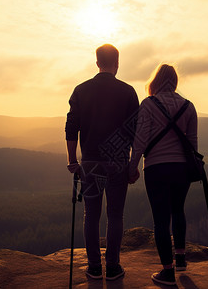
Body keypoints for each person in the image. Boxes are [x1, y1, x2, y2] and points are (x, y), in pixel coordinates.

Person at [65, 44, 139, 281]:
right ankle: (113, 267)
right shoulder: (128, 92)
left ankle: (94, 267)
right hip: (118, 161)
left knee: (91, 214)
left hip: (91, 161)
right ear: (117, 63)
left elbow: (71, 128)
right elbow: (135, 132)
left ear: (97, 63)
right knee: (116, 215)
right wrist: (133, 164)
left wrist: (71, 160)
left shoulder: (81, 90)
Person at [128, 64, 198, 286]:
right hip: (182, 168)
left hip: (156, 167)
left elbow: (140, 139)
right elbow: (193, 144)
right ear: (175, 82)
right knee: (178, 209)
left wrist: (133, 165)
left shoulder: (149, 104)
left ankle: (167, 272)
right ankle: (180, 258)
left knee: (161, 219)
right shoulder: (189, 106)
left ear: (156, 81)